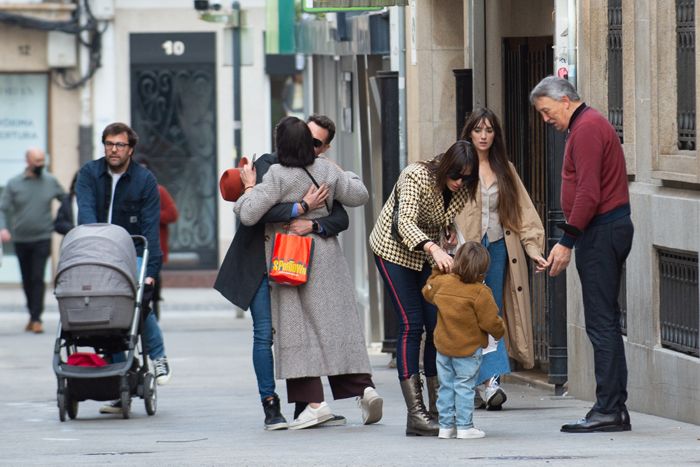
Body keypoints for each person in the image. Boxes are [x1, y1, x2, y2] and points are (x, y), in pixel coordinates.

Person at [234, 116, 383, 430]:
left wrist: (248, 187)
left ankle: (314, 404)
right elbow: (359, 196)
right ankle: (363, 387)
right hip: (326, 256)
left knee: (297, 329)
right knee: (334, 325)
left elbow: (248, 214)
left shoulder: (276, 174)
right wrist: (343, 172)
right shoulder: (326, 170)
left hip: (292, 257)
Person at [214, 114, 351, 430]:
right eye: (310, 141)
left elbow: (339, 215)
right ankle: (270, 405)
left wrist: (317, 210)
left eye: (318, 144)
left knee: (300, 329)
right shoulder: (266, 166)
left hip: (293, 262)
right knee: (265, 333)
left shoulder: (318, 171)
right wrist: (299, 207)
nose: (313, 149)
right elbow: (258, 213)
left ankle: (307, 405)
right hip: (259, 263)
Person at [530, 76, 633, 433]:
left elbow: (589, 191)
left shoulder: (587, 128)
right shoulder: (587, 126)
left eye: (546, 111)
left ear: (564, 100)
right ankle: (613, 407)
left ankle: (609, 408)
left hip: (602, 231)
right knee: (604, 321)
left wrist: (566, 241)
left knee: (601, 323)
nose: (545, 119)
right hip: (604, 229)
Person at [369, 140, 479, 436]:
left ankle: (437, 410)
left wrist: (448, 234)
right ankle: (416, 414)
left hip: (426, 254)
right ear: (446, 168)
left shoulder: (461, 187)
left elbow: (443, 215)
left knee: (437, 326)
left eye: (466, 178)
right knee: (411, 325)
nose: (459, 182)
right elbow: (403, 222)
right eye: (456, 176)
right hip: (393, 251)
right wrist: (434, 247)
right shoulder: (415, 176)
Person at [75, 122, 172, 415]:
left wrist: (152, 270)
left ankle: (157, 356)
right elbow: (86, 214)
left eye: (119, 145)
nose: (113, 150)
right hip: (96, 250)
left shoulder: (144, 181)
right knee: (104, 306)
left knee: (134, 299)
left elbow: (150, 230)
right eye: (108, 144)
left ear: (131, 149)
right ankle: (118, 382)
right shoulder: (89, 174)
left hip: (133, 252)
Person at [454, 107, 547, 410]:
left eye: (489, 130)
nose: (483, 136)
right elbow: (442, 205)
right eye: (478, 130)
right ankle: (474, 379)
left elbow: (523, 212)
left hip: (496, 250)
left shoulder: (505, 168)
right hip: (466, 253)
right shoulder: (458, 165)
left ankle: (489, 380)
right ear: (469, 132)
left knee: (491, 312)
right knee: (467, 314)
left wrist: (533, 249)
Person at [422, 241, 506, 440]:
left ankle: (445, 426)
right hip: (468, 350)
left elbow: (427, 290)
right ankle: (464, 426)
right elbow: (491, 321)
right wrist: (499, 331)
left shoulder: (443, 283)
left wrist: (437, 270)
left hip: (443, 348)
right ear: (483, 271)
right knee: (464, 386)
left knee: (446, 386)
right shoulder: (481, 293)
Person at [0, 148, 65, 334]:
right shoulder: (14, 183)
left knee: (37, 277)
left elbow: (66, 200)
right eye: (36, 160)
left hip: (43, 237)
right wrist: (3, 228)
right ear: (27, 161)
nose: (40, 164)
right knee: (27, 279)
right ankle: (32, 315)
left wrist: (63, 221)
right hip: (21, 239)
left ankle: (37, 318)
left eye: (42, 160)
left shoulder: (51, 181)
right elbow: (2, 209)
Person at [133, 154, 179, 321]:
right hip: (133, 245)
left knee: (153, 280)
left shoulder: (159, 191)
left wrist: (150, 215)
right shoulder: (128, 191)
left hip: (154, 244)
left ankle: (154, 312)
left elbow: (172, 214)